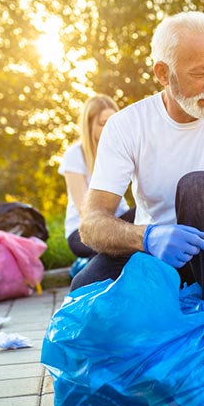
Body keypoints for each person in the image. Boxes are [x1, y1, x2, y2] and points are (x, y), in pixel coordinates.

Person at [74, 11, 204, 396]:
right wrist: (147, 237)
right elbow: (91, 223)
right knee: (83, 289)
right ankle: (158, 336)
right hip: (158, 250)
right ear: (162, 73)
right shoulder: (127, 125)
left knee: (198, 185)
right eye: (201, 72)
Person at [58, 95, 135, 274]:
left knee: (151, 212)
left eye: (112, 122)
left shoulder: (118, 152)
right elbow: (84, 210)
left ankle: (93, 266)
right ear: (89, 125)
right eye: (102, 123)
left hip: (118, 221)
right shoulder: (75, 155)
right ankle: (85, 267)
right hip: (84, 231)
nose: (109, 128)